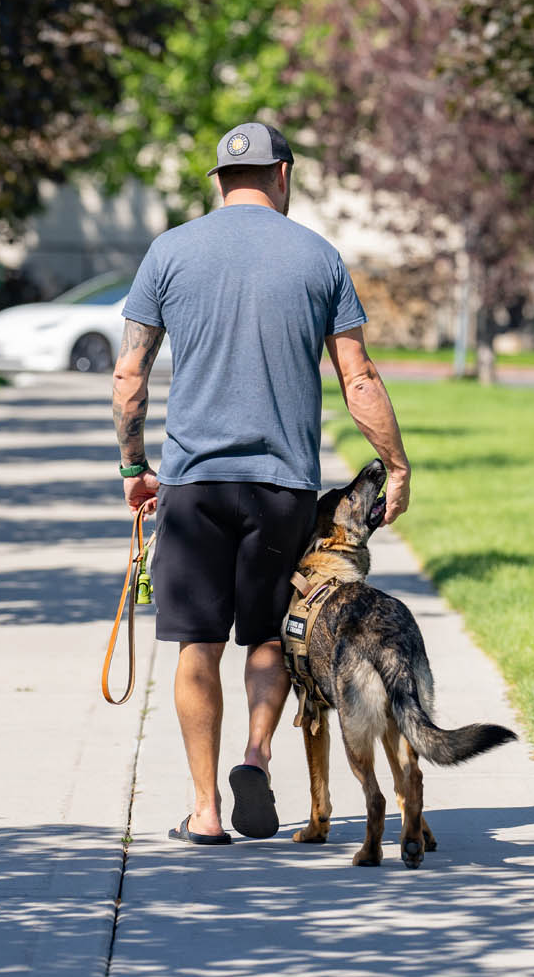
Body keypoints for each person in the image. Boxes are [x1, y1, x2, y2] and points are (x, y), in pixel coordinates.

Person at [111, 121, 412, 845]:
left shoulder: (169, 253)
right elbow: (358, 379)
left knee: (197, 647)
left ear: (218, 180)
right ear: (284, 174)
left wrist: (133, 467)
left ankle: (206, 810)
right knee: (270, 638)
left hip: (193, 486)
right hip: (282, 488)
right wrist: (396, 464)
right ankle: (257, 753)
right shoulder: (318, 257)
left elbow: (130, 377)